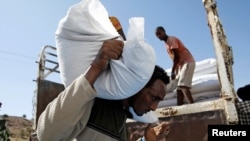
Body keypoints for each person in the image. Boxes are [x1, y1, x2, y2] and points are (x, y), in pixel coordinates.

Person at [36, 39, 171, 141]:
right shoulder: (92, 103)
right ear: (138, 85)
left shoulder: (121, 117)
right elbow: (46, 135)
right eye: (154, 97)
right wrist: (96, 67)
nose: (154, 107)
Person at [155, 26, 195, 106]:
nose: (159, 36)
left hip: (187, 62)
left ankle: (194, 106)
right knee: (178, 90)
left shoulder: (171, 39)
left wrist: (173, 71)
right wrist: (176, 72)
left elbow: (177, 57)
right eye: (157, 35)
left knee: (183, 85)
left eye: (160, 33)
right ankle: (179, 109)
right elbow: (174, 59)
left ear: (164, 31)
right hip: (181, 65)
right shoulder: (166, 45)